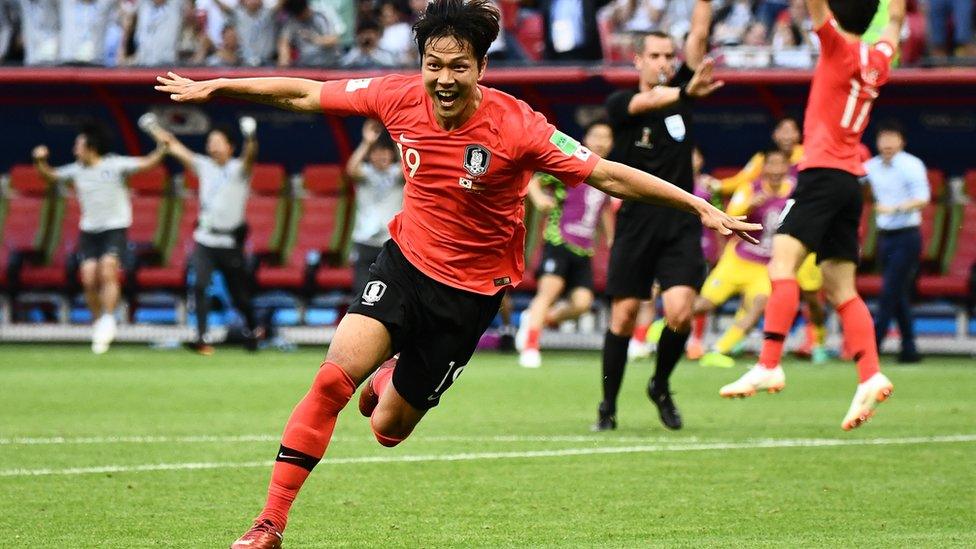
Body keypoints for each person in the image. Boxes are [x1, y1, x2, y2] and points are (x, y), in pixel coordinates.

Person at [154, 1, 756, 546]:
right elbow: (305, 93)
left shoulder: (519, 126)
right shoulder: (396, 96)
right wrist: (221, 86)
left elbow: (605, 173)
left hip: (469, 297)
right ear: (421, 63)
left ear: (481, 67)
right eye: (433, 64)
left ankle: (391, 377)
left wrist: (700, 206)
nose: (443, 79)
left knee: (388, 429)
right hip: (404, 265)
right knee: (331, 384)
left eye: (458, 66)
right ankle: (269, 524)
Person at [719, 0, 904, 432]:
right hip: (850, 183)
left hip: (820, 176)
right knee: (843, 289)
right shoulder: (879, 59)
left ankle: (769, 362)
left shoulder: (836, 46)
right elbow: (895, 21)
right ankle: (870, 373)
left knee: (781, 266)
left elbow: (817, 7)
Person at [594, 0, 724, 432]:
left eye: (670, 55)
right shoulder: (620, 104)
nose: (665, 62)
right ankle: (607, 407)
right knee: (624, 316)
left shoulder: (682, 94)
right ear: (638, 60)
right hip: (636, 223)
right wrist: (686, 92)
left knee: (681, 313)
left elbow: (700, 34)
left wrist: (701, 8)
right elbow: (643, 104)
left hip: (681, 223)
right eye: (655, 55)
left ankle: (660, 385)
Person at [31, 123, 168, 354]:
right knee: (88, 277)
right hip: (90, 231)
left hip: (114, 228)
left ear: (91, 148)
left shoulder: (114, 165)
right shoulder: (76, 170)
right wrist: (39, 161)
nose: (75, 150)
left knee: (107, 270)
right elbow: (51, 177)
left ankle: (108, 319)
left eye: (79, 145)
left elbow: (147, 163)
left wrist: (163, 148)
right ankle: (100, 322)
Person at [141, 114, 262, 355]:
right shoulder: (203, 165)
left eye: (218, 141)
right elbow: (174, 145)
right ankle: (202, 337)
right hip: (205, 239)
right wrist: (152, 127)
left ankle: (253, 330)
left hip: (230, 243)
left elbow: (250, 155)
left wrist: (250, 134)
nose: (212, 145)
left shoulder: (240, 169)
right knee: (199, 285)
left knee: (239, 296)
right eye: (210, 141)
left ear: (230, 147)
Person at [713, 116, 830, 363]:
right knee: (761, 293)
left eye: (792, 130)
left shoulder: (811, 156)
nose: (787, 135)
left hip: (805, 240)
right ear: (775, 135)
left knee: (810, 296)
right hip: (775, 246)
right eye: (782, 130)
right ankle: (744, 341)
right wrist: (718, 185)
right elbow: (741, 182)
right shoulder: (761, 160)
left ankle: (817, 338)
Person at [516, 120, 615, 369]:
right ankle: (530, 347)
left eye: (606, 137)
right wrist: (539, 200)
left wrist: (611, 238)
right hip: (559, 242)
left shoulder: (606, 174)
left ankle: (537, 320)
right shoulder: (571, 167)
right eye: (596, 135)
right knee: (548, 294)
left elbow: (601, 210)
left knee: (582, 303)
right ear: (586, 139)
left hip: (584, 250)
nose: (601, 141)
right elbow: (533, 180)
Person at [692, 148, 794, 368]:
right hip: (738, 259)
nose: (776, 169)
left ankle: (719, 350)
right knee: (703, 305)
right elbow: (730, 218)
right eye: (771, 164)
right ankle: (662, 325)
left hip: (765, 266)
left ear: (787, 167)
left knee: (758, 306)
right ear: (763, 167)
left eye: (780, 164)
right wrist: (751, 206)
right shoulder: (750, 188)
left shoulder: (794, 194)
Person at [864, 120, 928, 363]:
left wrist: (895, 208)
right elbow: (854, 183)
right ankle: (909, 349)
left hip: (907, 235)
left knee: (888, 291)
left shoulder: (911, 165)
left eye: (893, 138)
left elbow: (922, 198)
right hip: (885, 237)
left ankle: (872, 347)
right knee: (898, 293)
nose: (888, 143)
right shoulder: (871, 166)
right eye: (883, 138)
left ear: (902, 141)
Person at [345, 118, 404, 296]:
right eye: (377, 152)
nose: (382, 156)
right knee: (361, 293)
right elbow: (350, 170)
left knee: (393, 292)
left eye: (385, 152)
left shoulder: (397, 174)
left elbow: (409, 169)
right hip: (365, 241)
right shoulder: (366, 173)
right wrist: (366, 142)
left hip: (390, 241)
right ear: (370, 156)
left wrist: (395, 139)